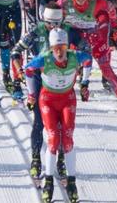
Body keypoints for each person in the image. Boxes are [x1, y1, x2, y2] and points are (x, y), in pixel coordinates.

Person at [25, 29, 93, 203]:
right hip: (47, 100)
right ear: (51, 47)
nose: (60, 52)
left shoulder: (74, 56)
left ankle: (71, 183)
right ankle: (48, 182)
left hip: (67, 99)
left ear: (67, 46)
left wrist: (84, 83)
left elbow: (88, 60)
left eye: (62, 47)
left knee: (68, 140)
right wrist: (31, 93)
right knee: (54, 139)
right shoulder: (45, 59)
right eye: (56, 48)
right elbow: (28, 69)